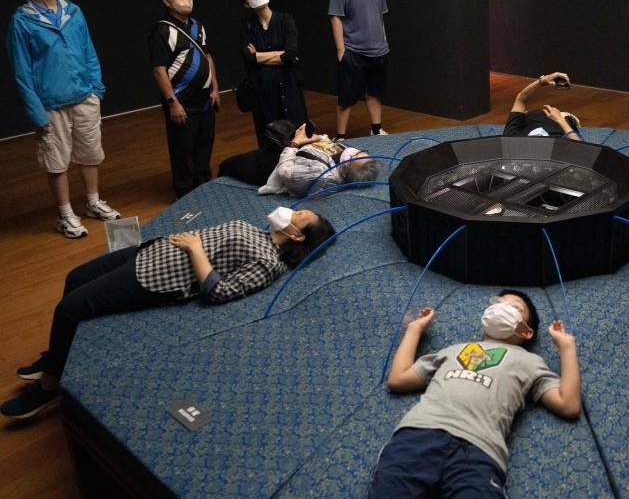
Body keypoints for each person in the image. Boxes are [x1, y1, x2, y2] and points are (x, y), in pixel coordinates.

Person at [1, 207, 335, 420]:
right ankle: (58, 356)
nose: (291, 210)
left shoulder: (268, 263)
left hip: (157, 277)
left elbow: (219, 291)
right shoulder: (259, 231)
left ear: (295, 235)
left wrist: (194, 248)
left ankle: (49, 388)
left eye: (299, 215)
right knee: (74, 277)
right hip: (153, 251)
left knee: (69, 309)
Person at [368, 290, 581, 497]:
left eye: (515, 307)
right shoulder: (453, 350)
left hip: (479, 450)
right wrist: (414, 329)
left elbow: (568, 404)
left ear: (525, 331)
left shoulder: (530, 361)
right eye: (497, 303)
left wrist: (567, 346)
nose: (502, 308)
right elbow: (398, 379)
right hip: (417, 436)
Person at [6, 0, 121, 238]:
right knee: (56, 160)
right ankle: (66, 214)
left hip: (84, 96)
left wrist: (96, 89)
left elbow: (88, 51)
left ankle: (93, 203)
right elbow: (21, 71)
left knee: (90, 153)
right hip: (50, 104)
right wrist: (36, 112)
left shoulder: (73, 11)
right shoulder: (23, 20)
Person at [149, 0, 221, 199]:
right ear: (167, 1)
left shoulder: (198, 26)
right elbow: (159, 71)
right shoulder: (161, 31)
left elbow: (208, 56)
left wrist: (215, 88)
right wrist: (173, 102)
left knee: (204, 145)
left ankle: (204, 186)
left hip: (205, 99)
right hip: (182, 101)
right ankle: (185, 194)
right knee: (183, 149)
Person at [328, 0, 390, 139]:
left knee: (374, 93)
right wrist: (341, 49)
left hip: (378, 50)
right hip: (354, 49)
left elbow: (380, 15)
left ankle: (376, 130)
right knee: (346, 97)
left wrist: (384, 41)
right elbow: (335, 15)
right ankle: (341, 137)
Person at [218, 123, 379, 196]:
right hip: (293, 149)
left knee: (226, 165)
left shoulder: (321, 175)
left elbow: (284, 172)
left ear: (346, 167)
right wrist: (315, 137)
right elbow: (329, 145)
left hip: (273, 166)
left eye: (356, 155)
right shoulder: (344, 157)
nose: (356, 150)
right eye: (362, 151)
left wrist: (296, 142)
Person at [239, 0, 309, 148]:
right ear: (246, 4)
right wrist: (279, 54)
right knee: (269, 131)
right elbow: (248, 58)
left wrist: (259, 55)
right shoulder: (247, 25)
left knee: (297, 126)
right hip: (262, 85)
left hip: (289, 82)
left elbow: (290, 55)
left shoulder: (285, 19)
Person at [503, 71, 582, 141]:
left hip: (529, 117)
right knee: (570, 121)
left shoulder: (511, 138)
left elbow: (521, 99)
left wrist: (541, 81)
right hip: (560, 119)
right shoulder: (557, 142)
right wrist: (560, 119)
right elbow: (581, 148)